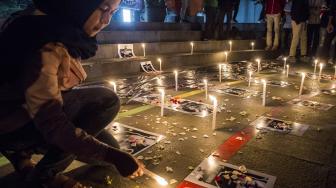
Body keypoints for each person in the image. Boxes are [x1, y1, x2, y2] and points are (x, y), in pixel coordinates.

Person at [0, 0, 144, 187]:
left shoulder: (65, 30)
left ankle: (20, 157)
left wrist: (111, 155)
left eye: (114, 13)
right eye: (104, 9)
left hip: (28, 116)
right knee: (106, 101)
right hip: (14, 126)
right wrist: (113, 157)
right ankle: (44, 174)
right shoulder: (46, 42)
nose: (107, 20)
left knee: (109, 152)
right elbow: (51, 122)